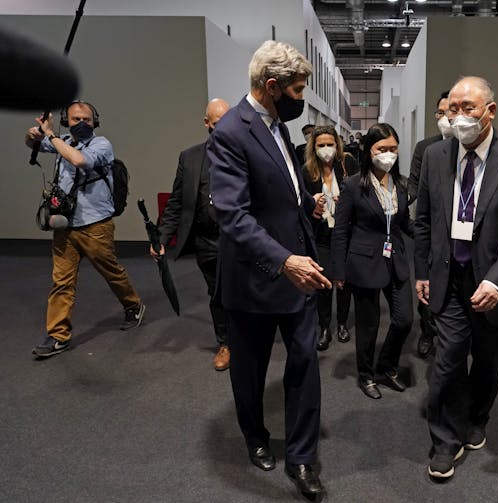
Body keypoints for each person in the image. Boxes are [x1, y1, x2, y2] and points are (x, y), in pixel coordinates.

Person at [207, 40, 329, 497]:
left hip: (299, 275)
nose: (301, 98)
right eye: (297, 90)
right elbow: (233, 216)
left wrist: (305, 208)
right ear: (272, 86)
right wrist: (283, 260)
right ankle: (255, 437)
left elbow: (275, 195)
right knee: (250, 373)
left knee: (304, 368)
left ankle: (301, 459)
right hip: (257, 279)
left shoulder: (279, 128)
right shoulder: (231, 133)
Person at [414, 76, 498, 480]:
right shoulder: (436, 155)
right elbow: (424, 221)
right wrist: (421, 271)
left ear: (491, 111)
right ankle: (444, 441)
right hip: (449, 277)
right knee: (448, 362)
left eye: (468, 108)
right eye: (452, 108)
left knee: (488, 361)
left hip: (493, 283)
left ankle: (477, 417)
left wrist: (497, 279)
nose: (459, 116)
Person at [24, 100, 145, 358]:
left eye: (86, 119)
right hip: (65, 224)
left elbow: (78, 160)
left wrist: (52, 136)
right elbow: (32, 143)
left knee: (111, 271)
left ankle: (133, 305)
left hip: (95, 224)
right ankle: (58, 335)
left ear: (95, 122)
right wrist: (33, 134)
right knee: (61, 281)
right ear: (67, 121)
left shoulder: (102, 145)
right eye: (76, 119)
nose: (81, 123)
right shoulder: (62, 139)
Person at [331, 123, 414, 400]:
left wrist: (435, 236)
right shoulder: (353, 185)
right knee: (368, 326)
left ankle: (387, 366)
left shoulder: (401, 184)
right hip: (364, 262)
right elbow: (341, 230)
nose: (388, 154)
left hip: (397, 259)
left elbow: (405, 223)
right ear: (369, 151)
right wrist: (338, 270)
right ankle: (366, 375)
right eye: (382, 149)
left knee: (403, 320)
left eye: (393, 149)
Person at [151, 98, 231, 371]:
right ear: (207, 123)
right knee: (217, 292)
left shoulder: (243, 153)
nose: (223, 129)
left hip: (238, 239)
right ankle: (226, 343)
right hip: (206, 240)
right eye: (218, 124)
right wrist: (162, 238)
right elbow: (176, 202)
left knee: (242, 291)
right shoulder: (190, 157)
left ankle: (248, 339)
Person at [302, 125, 357, 350]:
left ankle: (342, 323)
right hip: (321, 233)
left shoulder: (348, 163)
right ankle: (324, 326)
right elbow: (299, 203)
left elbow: (361, 193)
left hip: (345, 233)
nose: (326, 149)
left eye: (330, 144)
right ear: (313, 148)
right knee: (323, 282)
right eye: (321, 145)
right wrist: (311, 203)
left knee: (344, 282)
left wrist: (345, 198)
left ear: (337, 144)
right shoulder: (306, 171)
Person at [408, 90, 451, 358]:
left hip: (464, 228)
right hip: (433, 227)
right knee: (427, 280)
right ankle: (427, 332)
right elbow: (414, 181)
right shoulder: (427, 147)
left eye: (452, 111)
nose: (446, 117)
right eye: (441, 112)